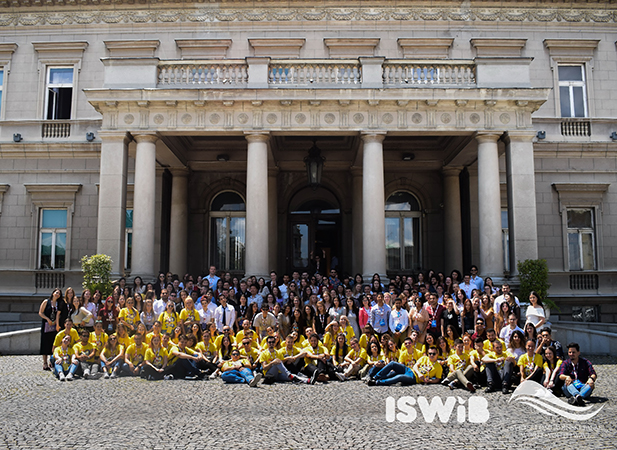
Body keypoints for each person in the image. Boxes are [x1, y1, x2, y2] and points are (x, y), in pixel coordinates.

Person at [368, 346, 442, 386]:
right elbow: (415, 366)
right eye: (430, 353)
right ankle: (375, 377)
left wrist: (429, 381)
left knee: (399, 377)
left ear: (437, 354)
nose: (431, 355)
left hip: (414, 378)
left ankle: (378, 382)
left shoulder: (438, 367)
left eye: (433, 354)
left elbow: (438, 379)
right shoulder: (424, 358)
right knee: (393, 363)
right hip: (409, 370)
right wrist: (419, 373)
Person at [39, 288, 67, 371]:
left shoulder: (59, 303)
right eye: (56, 292)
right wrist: (47, 319)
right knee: (45, 342)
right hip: (47, 324)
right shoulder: (46, 301)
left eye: (59, 294)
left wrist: (56, 322)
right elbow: (40, 312)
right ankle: (45, 362)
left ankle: (52, 360)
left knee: (53, 343)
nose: (57, 294)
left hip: (55, 326)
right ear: (53, 293)